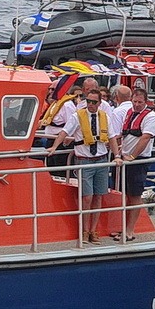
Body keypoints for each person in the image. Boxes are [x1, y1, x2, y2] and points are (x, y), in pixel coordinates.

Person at [46, 89, 120, 244]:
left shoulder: (105, 117)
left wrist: (117, 156)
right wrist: (54, 147)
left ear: (100, 103)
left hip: (101, 160)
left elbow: (112, 138)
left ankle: (94, 230)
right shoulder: (77, 116)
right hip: (84, 160)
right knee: (87, 197)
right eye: (88, 101)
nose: (91, 104)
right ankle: (85, 231)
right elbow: (64, 132)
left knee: (99, 196)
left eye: (94, 102)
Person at [112, 87, 155, 242]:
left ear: (145, 102)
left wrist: (133, 156)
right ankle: (123, 227)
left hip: (137, 162)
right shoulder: (129, 113)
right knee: (125, 195)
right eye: (134, 101)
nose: (137, 104)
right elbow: (125, 135)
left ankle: (130, 230)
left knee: (135, 196)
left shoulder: (151, 117)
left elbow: (145, 138)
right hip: (125, 160)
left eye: (140, 102)